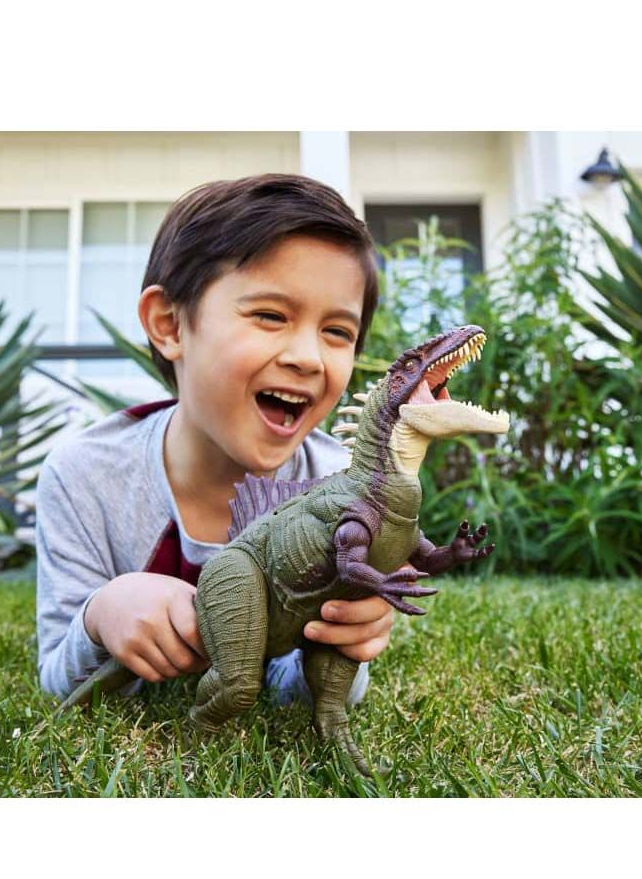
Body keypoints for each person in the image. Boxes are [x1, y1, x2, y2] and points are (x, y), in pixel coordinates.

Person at [35, 173, 397, 708]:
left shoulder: (341, 486)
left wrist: (347, 643)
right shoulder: (83, 477)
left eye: (337, 332)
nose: (308, 357)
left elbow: (297, 691)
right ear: (169, 325)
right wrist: (98, 616)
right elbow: (59, 681)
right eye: (270, 316)